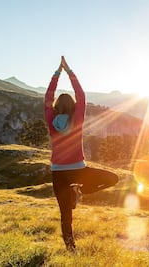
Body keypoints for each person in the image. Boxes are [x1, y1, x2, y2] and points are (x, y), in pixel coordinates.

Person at [44, 56, 118, 251]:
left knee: (65, 213)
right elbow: (82, 95)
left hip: (58, 172)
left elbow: (48, 97)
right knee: (113, 178)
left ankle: (70, 248)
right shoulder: (77, 121)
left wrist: (56, 73)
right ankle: (82, 190)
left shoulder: (52, 122)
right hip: (78, 170)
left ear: (56, 108)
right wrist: (69, 71)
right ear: (74, 108)